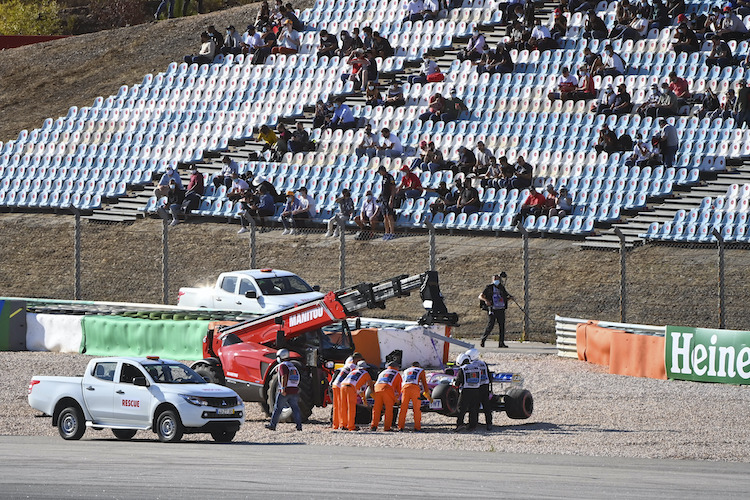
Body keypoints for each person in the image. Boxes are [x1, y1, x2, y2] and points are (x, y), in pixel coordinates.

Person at [265, 349, 302, 431]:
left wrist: (283, 388)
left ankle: (272, 425)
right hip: (294, 390)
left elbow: (284, 376)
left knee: (277, 408)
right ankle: (299, 426)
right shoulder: (292, 365)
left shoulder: (283, 366)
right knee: (295, 409)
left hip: (285, 391)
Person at [479, 273, 511, 348]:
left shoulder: (501, 288)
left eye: (497, 279)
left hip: (501, 309)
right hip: (493, 309)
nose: (496, 280)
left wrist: (510, 298)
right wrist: (486, 300)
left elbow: (505, 297)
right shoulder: (489, 287)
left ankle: (501, 343)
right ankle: (483, 340)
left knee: (502, 326)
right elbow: (481, 296)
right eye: (495, 279)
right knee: (490, 325)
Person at [398, 361, 432, 432]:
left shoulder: (405, 371)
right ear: (418, 366)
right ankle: (417, 427)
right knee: (417, 409)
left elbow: (402, 381)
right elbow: (424, 383)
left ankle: (400, 427)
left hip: (405, 389)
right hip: (414, 389)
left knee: (403, 408)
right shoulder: (421, 370)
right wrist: (427, 394)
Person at [341, 360, 374, 431]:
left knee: (343, 406)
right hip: (351, 387)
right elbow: (370, 384)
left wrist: (363, 398)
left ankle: (343, 424)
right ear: (364, 368)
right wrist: (373, 393)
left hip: (342, 386)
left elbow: (360, 390)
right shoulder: (365, 373)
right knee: (351, 407)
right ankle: (351, 426)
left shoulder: (353, 371)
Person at [465, 349, 493, 430]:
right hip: (485, 386)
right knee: (486, 406)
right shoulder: (483, 363)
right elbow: (488, 374)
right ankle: (489, 423)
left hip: (476, 387)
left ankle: (473, 424)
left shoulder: (471, 365)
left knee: (474, 406)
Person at [370, 361, 402, 431]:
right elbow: (399, 388)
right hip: (388, 389)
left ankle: (374, 426)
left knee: (376, 408)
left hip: (377, 389)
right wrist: (397, 398)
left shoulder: (382, 372)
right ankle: (387, 427)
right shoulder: (397, 373)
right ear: (396, 367)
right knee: (389, 409)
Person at [454, 353, 481, 431]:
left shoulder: (463, 368)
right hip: (476, 390)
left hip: (466, 390)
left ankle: (460, 424)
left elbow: (459, 380)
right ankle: (472, 426)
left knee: (461, 408)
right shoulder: (477, 367)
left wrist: (456, 384)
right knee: (474, 409)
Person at [330, 355, 359, 429]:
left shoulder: (346, 365)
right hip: (341, 386)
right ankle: (343, 424)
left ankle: (335, 424)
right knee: (343, 406)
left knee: (336, 406)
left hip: (335, 384)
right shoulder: (353, 367)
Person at [376, 164, 396, 240]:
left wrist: (391, 198)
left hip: (388, 198)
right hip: (383, 199)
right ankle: (386, 232)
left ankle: (392, 232)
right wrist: (380, 195)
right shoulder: (383, 178)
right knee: (385, 216)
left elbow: (393, 188)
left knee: (389, 215)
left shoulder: (390, 177)